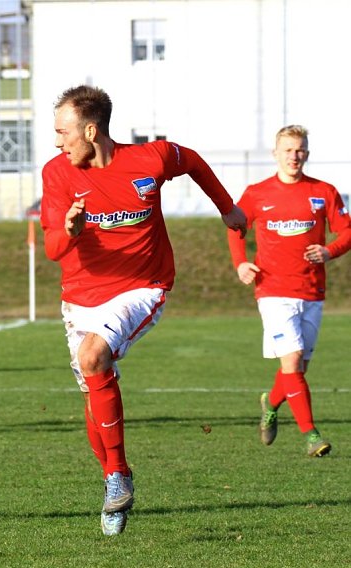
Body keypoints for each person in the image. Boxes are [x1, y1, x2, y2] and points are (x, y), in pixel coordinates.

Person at [40, 85, 247, 536]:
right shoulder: (57, 174)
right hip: (80, 296)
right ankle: (115, 477)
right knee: (91, 396)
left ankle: (116, 477)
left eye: (62, 132)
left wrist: (227, 208)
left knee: (93, 357)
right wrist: (71, 229)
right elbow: (54, 249)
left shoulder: (150, 160)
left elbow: (190, 160)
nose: (57, 142)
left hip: (142, 286)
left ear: (90, 130)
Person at [228, 125, 351, 458]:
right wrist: (241, 263)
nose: (294, 156)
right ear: (275, 153)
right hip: (272, 290)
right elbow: (236, 227)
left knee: (297, 369)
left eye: (300, 150)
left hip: (312, 290)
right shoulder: (257, 193)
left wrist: (330, 251)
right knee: (293, 361)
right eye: (288, 150)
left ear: (307, 154)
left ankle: (271, 404)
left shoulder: (324, 192)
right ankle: (311, 435)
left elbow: (346, 231)